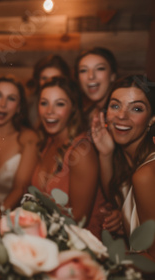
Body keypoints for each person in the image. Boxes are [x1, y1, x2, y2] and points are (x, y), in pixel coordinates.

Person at [31, 77, 106, 238]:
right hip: (47, 238)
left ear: (73, 109)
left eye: (60, 104)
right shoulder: (47, 143)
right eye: (44, 103)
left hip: (79, 244)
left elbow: (78, 219)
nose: (50, 111)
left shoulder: (81, 152)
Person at [91, 75, 155, 260]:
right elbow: (116, 196)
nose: (121, 116)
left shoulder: (146, 173)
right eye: (115, 105)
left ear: (151, 119)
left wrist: (101, 259)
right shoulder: (128, 163)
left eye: (136, 108)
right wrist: (106, 154)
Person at [0, 76, 39, 210]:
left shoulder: (28, 139)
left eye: (11, 98)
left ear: (19, 107)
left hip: (10, 217)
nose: (2, 104)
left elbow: (20, 188)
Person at [27, 54, 71, 128]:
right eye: (44, 78)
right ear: (37, 80)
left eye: (55, 79)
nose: (48, 83)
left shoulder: (72, 106)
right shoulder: (29, 105)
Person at [74, 47, 117, 123]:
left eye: (100, 68)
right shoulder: (85, 114)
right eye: (83, 70)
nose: (91, 76)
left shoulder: (119, 115)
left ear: (112, 75)